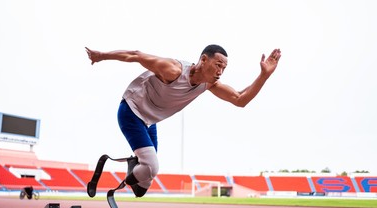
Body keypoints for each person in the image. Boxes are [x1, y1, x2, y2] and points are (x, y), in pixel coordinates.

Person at [85, 45, 281, 197]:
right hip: (131, 110)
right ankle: (133, 170)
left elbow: (240, 99)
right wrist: (100, 55)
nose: (221, 71)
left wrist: (264, 75)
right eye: (218, 65)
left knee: (142, 187)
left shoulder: (209, 84)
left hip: (149, 121)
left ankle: (134, 165)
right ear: (203, 60)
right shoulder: (172, 70)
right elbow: (135, 55)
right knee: (151, 167)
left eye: (224, 68)